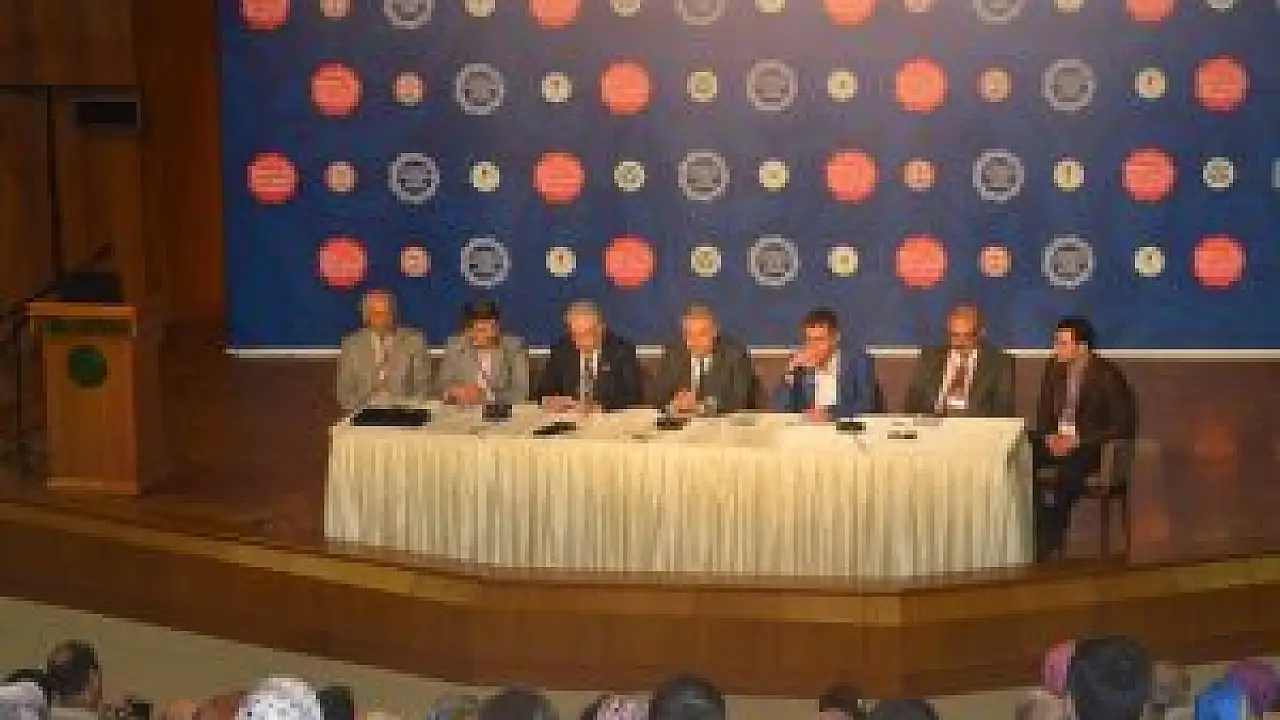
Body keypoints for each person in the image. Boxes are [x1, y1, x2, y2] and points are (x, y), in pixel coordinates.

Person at [1032, 316, 1136, 562]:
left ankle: (1050, 532)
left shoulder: (1108, 374)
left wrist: (1077, 440)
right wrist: (1049, 437)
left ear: (1082, 347)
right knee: (1019, 456)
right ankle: (1038, 524)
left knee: (1069, 471)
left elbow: (1123, 425)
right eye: (1056, 342)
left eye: (1062, 343)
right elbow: (1043, 413)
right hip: (1057, 440)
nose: (1056, 348)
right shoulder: (1053, 368)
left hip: (1091, 446)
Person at [903, 304, 1014, 417]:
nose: (960, 342)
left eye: (967, 335)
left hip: (975, 425)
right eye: (955, 335)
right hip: (934, 423)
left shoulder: (998, 363)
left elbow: (1002, 409)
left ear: (981, 333)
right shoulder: (929, 358)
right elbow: (912, 403)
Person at [536, 300, 642, 412]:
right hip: (569, 417)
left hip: (606, 418)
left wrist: (598, 406)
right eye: (574, 334)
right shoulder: (562, 349)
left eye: (586, 334)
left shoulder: (622, 351)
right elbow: (542, 391)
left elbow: (634, 396)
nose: (579, 341)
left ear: (601, 329)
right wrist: (550, 400)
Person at [335, 289, 432, 412]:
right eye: (377, 313)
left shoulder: (414, 341)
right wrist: (364, 409)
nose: (384, 318)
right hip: (364, 413)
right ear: (366, 316)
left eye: (387, 312)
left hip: (405, 412)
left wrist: (406, 408)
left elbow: (423, 386)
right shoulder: (351, 345)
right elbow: (344, 392)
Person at [773, 307, 877, 421]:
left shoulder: (859, 361)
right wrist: (789, 375)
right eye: (809, 340)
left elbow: (866, 405)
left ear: (835, 338)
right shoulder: (799, 364)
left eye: (819, 340)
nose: (814, 346)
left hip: (843, 425)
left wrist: (830, 414)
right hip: (808, 426)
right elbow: (781, 408)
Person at [653, 304, 756, 415]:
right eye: (688, 334)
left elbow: (739, 400)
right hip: (682, 422)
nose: (694, 341)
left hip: (722, 422)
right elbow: (658, 396)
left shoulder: (735, 355)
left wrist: (701, 406)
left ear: (714, 332)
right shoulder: (673, 354)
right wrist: (675, 402)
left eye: (701, 334)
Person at [435, 300, 530, 407]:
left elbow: (521, 391)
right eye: (472, 330)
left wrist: (487, 395)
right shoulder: (455, 346)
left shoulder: (513, 347)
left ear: (496, 329)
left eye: (483, 330)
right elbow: (441, 386)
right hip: (462, 410)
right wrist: (454, 392)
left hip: (497, 411)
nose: (476, 336)